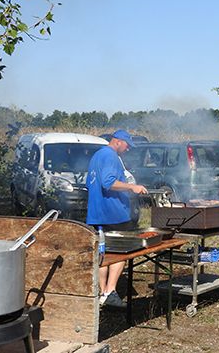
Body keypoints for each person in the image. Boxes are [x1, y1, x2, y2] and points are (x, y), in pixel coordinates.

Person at [86, 129, 148, 308]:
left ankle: (101, 293)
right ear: (119, 141)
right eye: (128, 144)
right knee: (122, 251)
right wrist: (132, 187)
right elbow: (109, 182)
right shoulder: (111, 156)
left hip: (98, 213)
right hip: (113, 214)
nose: (128, 149)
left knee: (104, 253)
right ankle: (110, 291)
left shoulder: (97, 156)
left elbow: (90, 183)